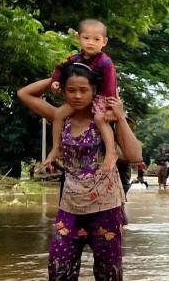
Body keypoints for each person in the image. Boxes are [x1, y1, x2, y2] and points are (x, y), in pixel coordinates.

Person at [17, 63, 145, 281]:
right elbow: (24, 93)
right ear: (63, 91)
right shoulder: (60, 117)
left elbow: (135, 155)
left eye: (83, 90)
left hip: (105, 206)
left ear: (94, 90)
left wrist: (121, 117)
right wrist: (57, 75)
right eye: (71, 90)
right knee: (59, 274)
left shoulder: (106, 120)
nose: (77, 96)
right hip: (70, 205)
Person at [43, 19, 121, 171]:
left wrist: (110, 108)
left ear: (104, 42)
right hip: (83, 98)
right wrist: (55, 81)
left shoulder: (105, 62)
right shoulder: (75, 58)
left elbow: (111, 86)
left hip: (101, 97)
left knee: (99, 118)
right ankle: (56, 148)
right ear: (78, 38)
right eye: (86, 38)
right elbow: (60, 68)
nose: (91, 43)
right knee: (58, 114)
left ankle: (111, 152)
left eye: (96, 39)